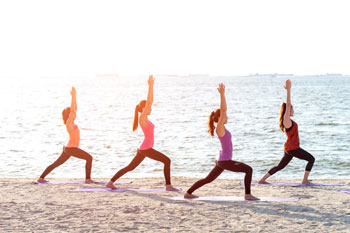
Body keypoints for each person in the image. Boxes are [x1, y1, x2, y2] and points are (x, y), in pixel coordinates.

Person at [184, 83, 259, 200]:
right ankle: (248, 195)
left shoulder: (222, 128)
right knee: (248, 169)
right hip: (225, 161)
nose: (227, 117)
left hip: (222, 160)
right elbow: (223, 109)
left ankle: (188, 193)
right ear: (219, 118)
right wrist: (222, 95)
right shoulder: (219, 127)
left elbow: (223, 111)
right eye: (225, 115)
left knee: (208, 179)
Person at [106, 75, 179, 191]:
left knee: (130, 167)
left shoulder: (145, 119)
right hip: (146, 148)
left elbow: (150, 102)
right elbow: (150, 101)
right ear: (144, 108)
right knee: (167, 161)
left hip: (143, 148)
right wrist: (150, 86)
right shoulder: (142, 118)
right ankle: (168, 186)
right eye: (148, 107)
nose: (151, 108)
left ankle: (110, 182)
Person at [259, 79, 315, 185]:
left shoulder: (289, 121)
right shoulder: (287, 120)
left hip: (290, 148)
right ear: (288, 111)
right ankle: (304, 180)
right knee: (311, 159)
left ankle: (262, 180)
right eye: (292, 109)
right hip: (293, 148)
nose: (293, 111)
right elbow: (288, 104)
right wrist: (288, 91)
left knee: (280, 166)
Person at [37, 87, 97, 184]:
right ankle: (88, 179)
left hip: (68, 148)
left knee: (56, 163)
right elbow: (73, 109)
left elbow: (74, 109)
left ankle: (41, 178)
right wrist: (73, 96)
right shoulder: (69, 123)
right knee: (89, 158)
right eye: (72, 113)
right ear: (69, 115)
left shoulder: (71, 123)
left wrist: (75, 96)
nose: (75, 114)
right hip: (71, 148)